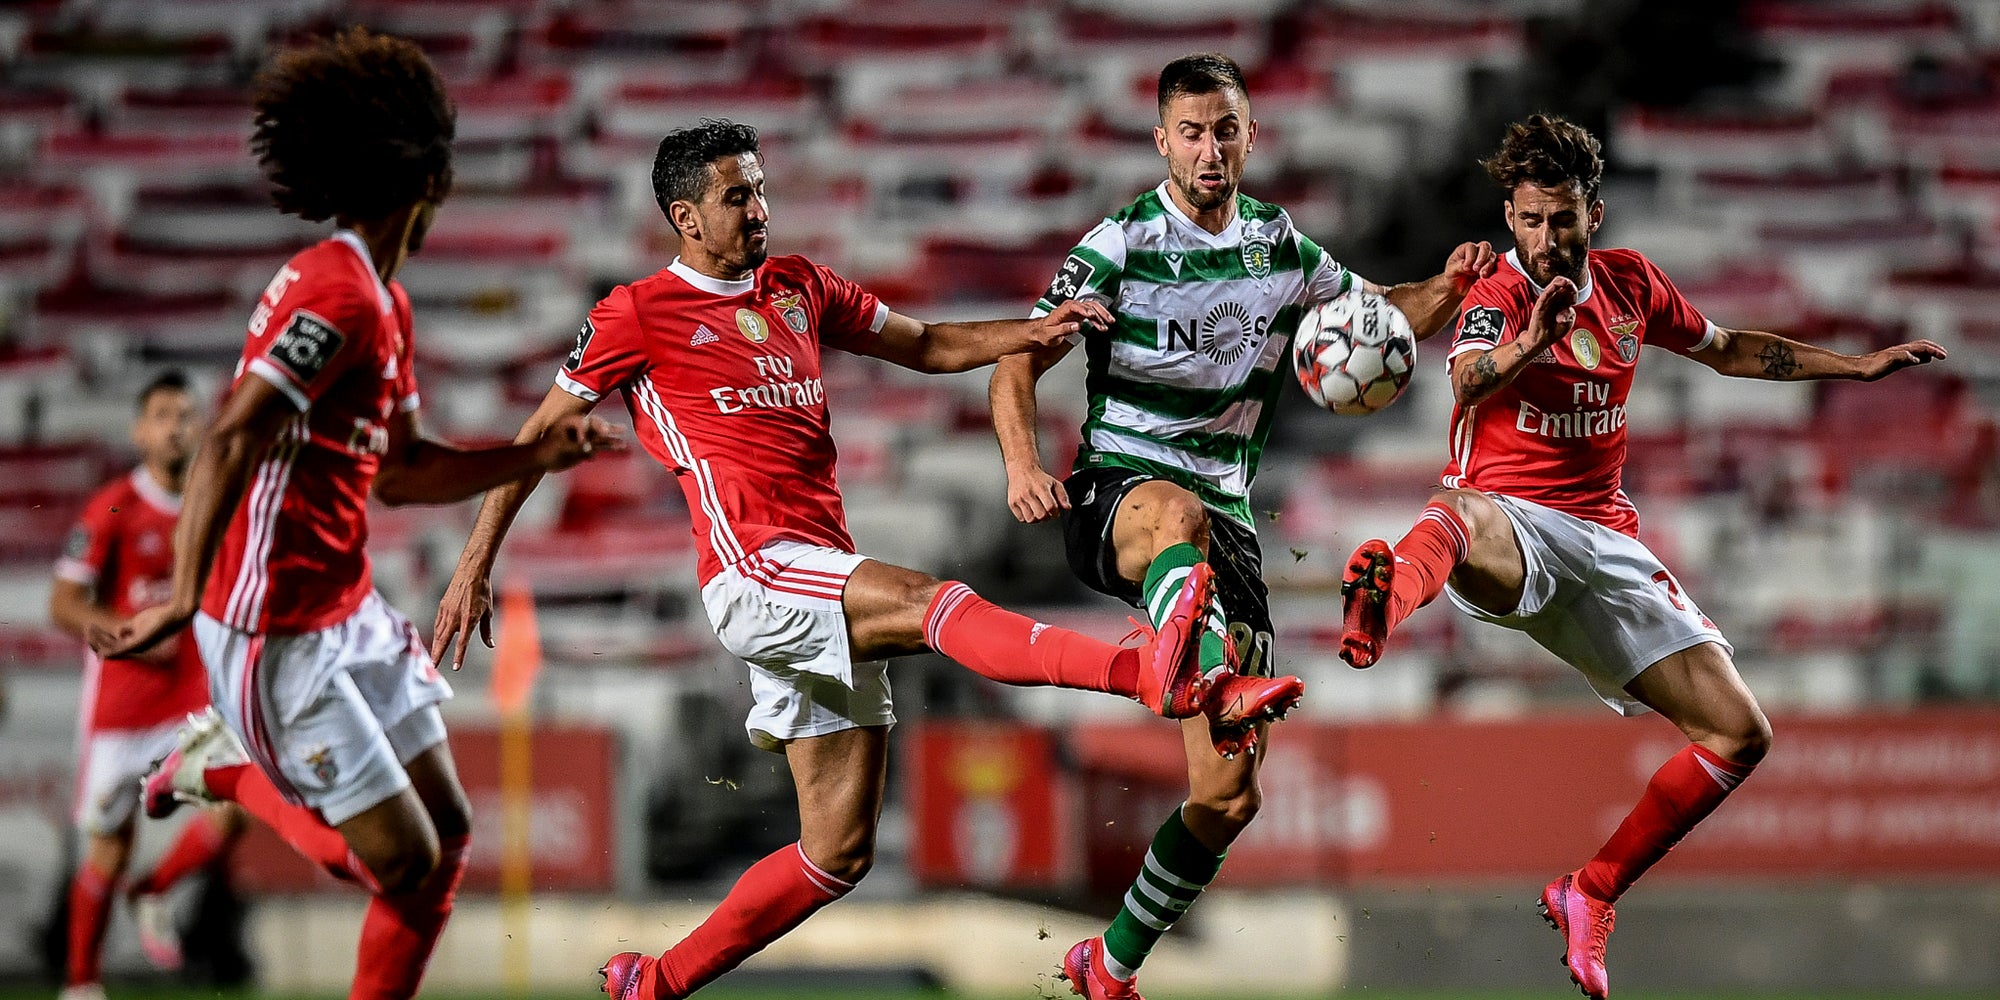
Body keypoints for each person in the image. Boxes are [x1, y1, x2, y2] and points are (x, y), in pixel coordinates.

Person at [427, 117, 1306, 1000]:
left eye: (762, 188)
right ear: (685, 217)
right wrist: (473, 567)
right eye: (739, 197)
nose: (761, 209)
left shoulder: (799, 286)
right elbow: (538, 437)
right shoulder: (637, 313)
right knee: (935, 602)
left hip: (817, 569)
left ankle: (653, 982)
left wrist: (1026, 337)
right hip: (756, 569)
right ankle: (1160, 679)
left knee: (836, 852)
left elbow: (921, 345)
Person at [1337, 113, 1948, 1000]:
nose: (1548, 240)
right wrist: (1533, 340)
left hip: (1608, 542)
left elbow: (1731, 348)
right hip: (1510, 516)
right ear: (1510, 217)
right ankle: (1379, 610)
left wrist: (1852, 369)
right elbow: (1467, 380)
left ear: (1596, 215)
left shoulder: (1631, 286)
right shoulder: (1496, 294)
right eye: (1532, 220)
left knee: (1740, 736)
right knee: (1459, 513)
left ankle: (1590, 890)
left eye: (1564, 220)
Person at [88, 28, 619, 1000]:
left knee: (445, 845)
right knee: (397, 866)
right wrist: (182, 597)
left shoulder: (384, 302)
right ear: (429, 182)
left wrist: (537, 453)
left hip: (347, 611)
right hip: (274, 635)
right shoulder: (339, 298)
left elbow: (406, 473)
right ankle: (220, 771)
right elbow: (227, 437)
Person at [988, 53, 1496, 1000]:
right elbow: (1016, 362)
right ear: (1161, 142)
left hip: (1224, 527)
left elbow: (1374, 320)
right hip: (1120, 494)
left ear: (1251, 135)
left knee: (1228, 796)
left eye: (1226, 129)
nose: (1210, 148)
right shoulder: (1119, 245)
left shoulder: (1282, 248)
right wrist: (1022, 465)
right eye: (1191, 131)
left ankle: (1110, 962)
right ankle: (1207, 669)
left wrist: (1451, 283)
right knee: (1177, 513)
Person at [53, 372, 248, 997]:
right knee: (107, 849)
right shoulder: (113, 505)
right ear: (139, 430)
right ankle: (82, 985)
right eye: (162, 413)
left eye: (185, 413)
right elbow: (64, 603)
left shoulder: (210, 501)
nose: (175, 425)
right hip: (121, 706)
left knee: (240, 796)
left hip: (190, 701)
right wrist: (126, 628)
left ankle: (155, 889)